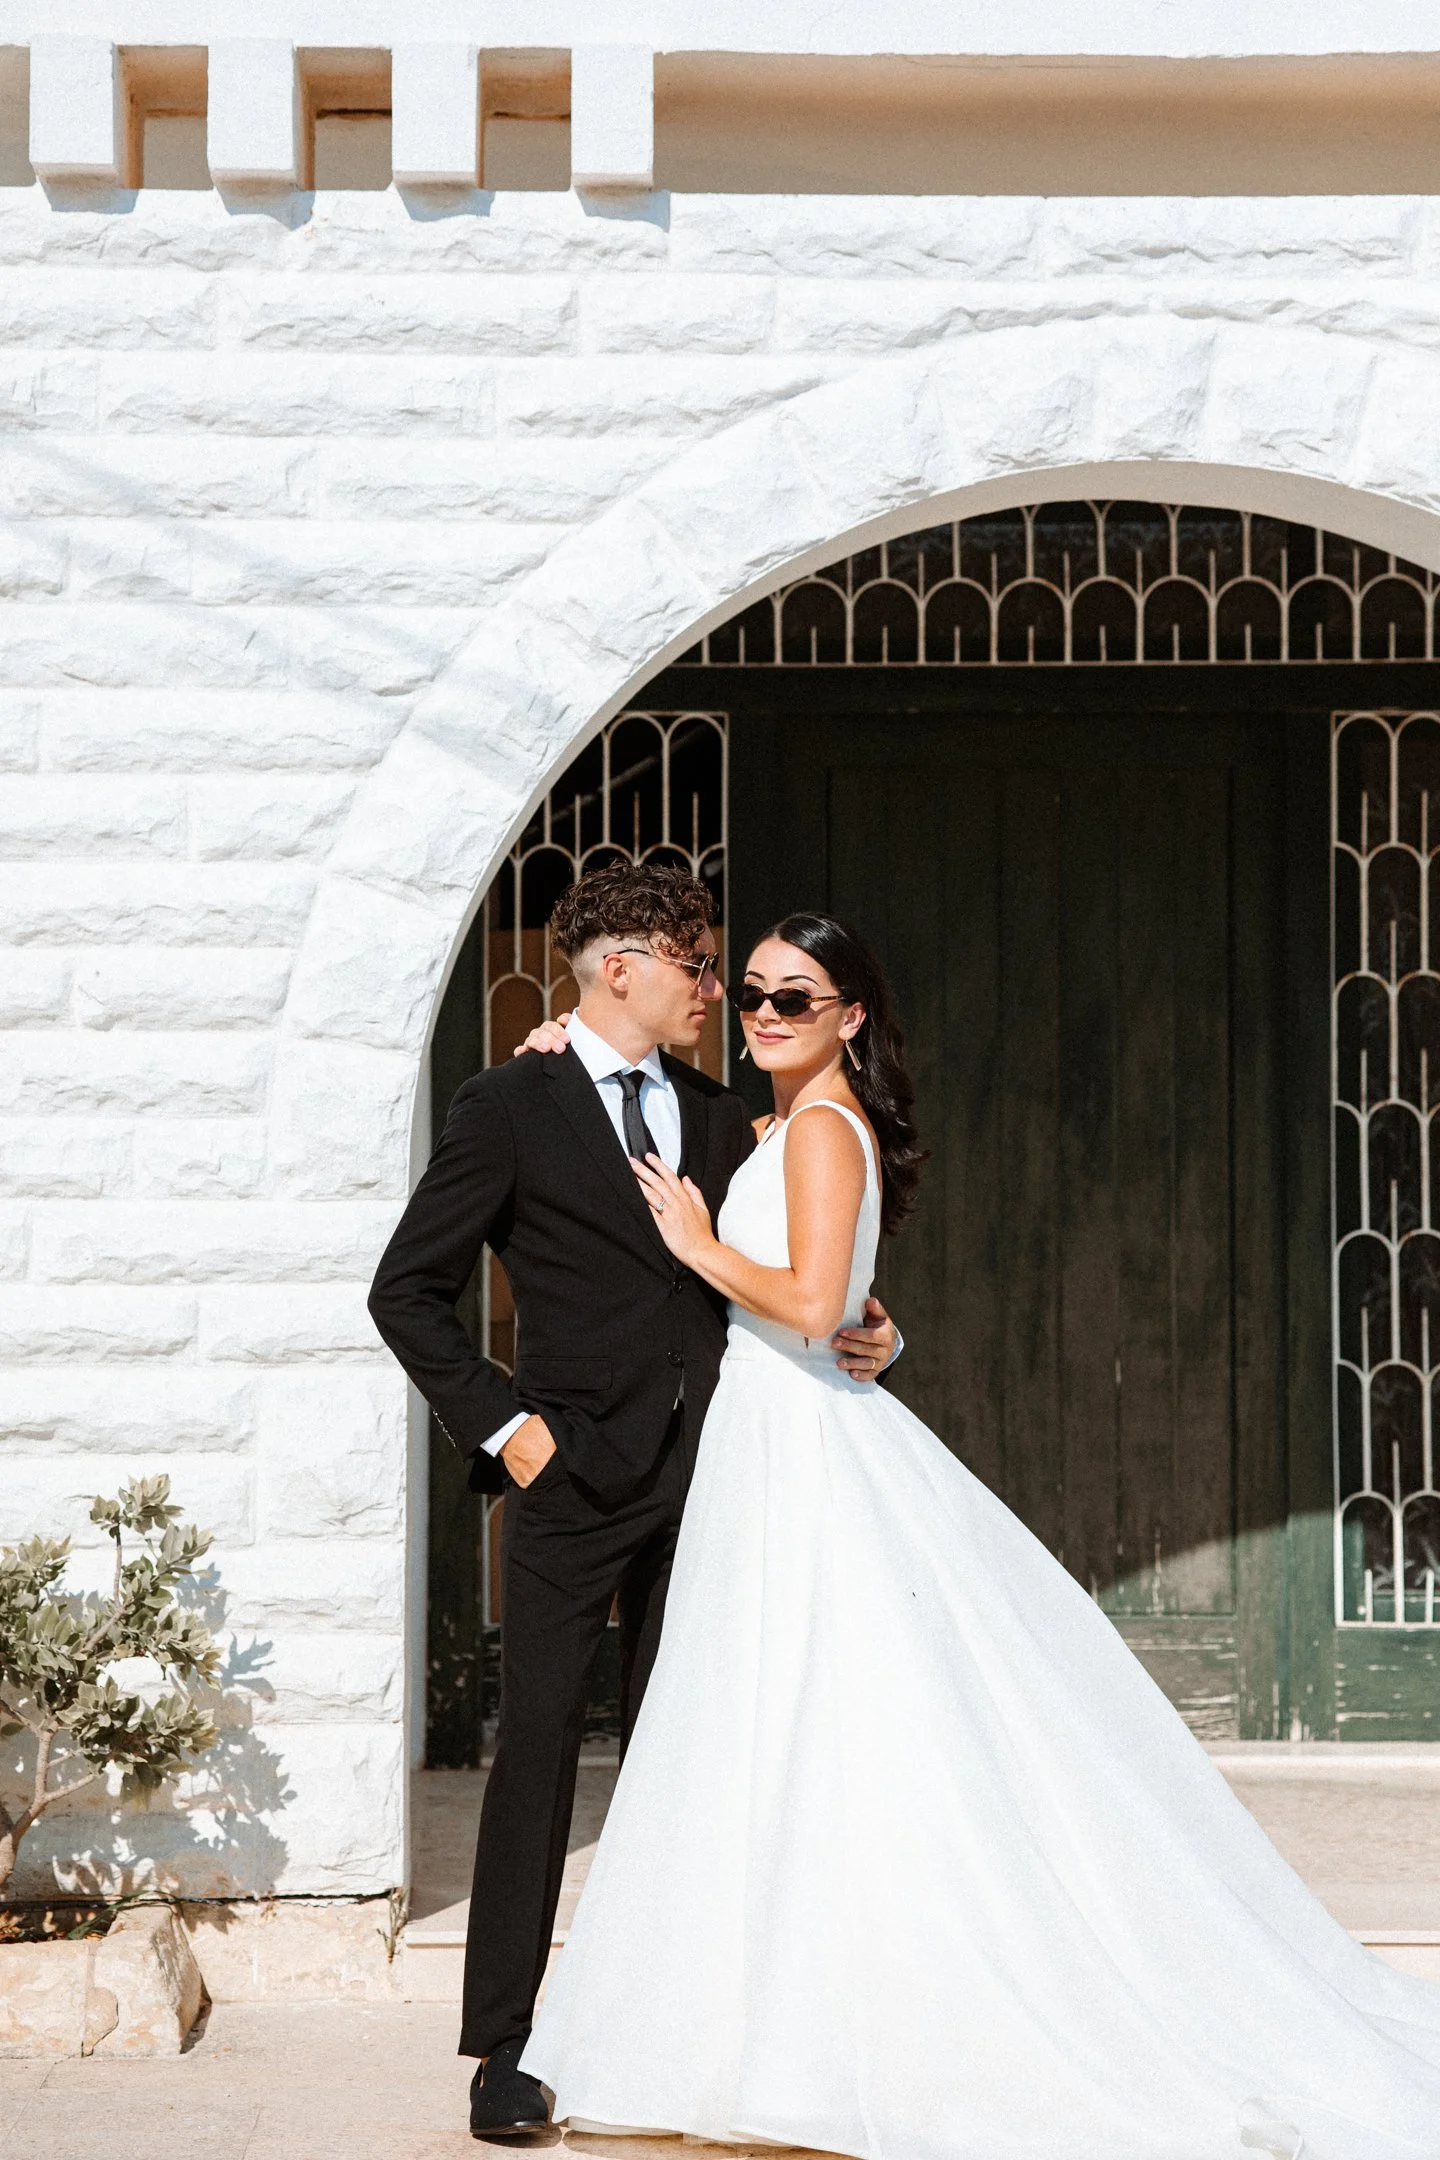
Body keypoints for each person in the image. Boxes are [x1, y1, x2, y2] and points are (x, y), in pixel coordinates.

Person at [520, 911, 1440, 2160]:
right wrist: (556, 1047)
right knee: (779, 1728)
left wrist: (701, 1248)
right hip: (770, 1441)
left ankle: (841, 2039)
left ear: (851, 1015)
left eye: (798, 997)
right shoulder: (773, 1124)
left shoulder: (824, 1132)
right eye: (750, 993)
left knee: (837, 1724)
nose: (765, 1014)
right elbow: (838, 1293)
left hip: (805, 1442)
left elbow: (801, 1302)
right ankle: (767, 2030)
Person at [365, 865, 899, 2140]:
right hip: (567, 1482)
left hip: (713, 1479)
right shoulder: (507, 1103)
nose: (718, 991)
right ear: (620, 969)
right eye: (698, 967)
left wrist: (876, 1325)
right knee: (537, 1756)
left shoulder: (726, 1119)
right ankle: (502, 2049)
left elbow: (800, 1269)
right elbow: (406, 1291)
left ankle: (686, 2027)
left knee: (690, 1760)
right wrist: (508, 1430)